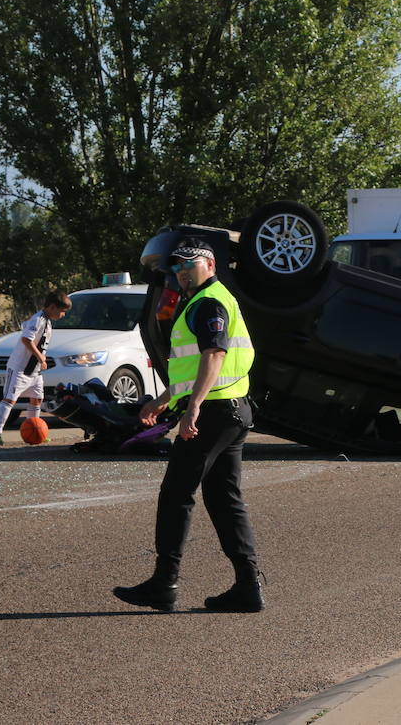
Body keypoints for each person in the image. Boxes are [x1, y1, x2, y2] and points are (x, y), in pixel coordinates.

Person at [113, 238, 264, 613]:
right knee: (223, 498)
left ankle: (164, 584)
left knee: (177, 494)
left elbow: (215, 354)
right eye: (176, 266)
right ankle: (248, 585)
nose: (181, 271)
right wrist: (164, 399)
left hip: (212, 412)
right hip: (233, 410)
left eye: (188, 263)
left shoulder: (208, 302)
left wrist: (192, 407)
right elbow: (197, 363)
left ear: (210, 265)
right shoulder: (207, 299)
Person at [0, 291, 71, 445]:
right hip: (19, 369)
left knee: (37, 399)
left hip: (34, 371)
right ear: (53, 307)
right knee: (10, 399)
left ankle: (34, 431)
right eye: (62, 311)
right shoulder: (38, 319)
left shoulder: (47, 321)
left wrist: (40, 358)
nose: (63, 315)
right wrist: (40, 357)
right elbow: (26, 339)